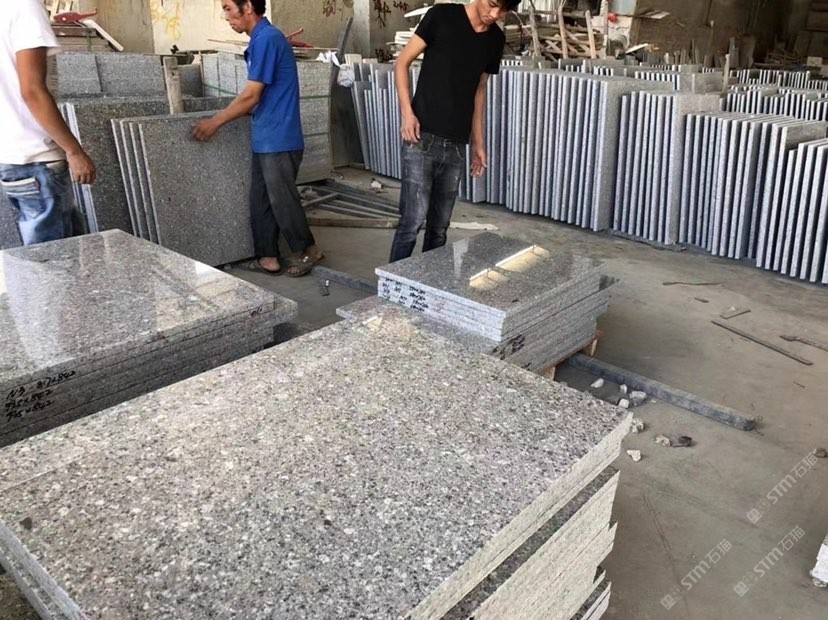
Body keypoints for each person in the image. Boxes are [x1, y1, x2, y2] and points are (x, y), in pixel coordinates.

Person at [193, 0, 323, 277]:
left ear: (248, 6)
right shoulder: (260, 40)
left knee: (282, 200)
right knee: (261, 199)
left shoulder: (267, 39)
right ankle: (267, 257)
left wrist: (215, 122)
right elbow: (258, 97)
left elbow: (251, 95)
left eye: (228, 8)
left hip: (279, 136)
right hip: (266, 134)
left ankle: (309, 250)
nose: (226, 16)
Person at [388, 0, 520, 263]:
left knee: (439, 228)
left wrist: (478, 143)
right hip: (421, 137)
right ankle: (392, 285)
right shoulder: (442, 16)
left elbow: (479, 90)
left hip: (457, 145)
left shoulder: (495, 39)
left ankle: (430, 283)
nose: (495, 14)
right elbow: (402, 62)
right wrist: (407, 114)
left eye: (504, 10)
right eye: (493, 4)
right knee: (412, 222)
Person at [0, 0, 96, 246]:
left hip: (13, 158)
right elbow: (32, 91)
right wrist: (74, 151)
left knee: (62, 252)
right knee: (53, 260)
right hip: (37, 158)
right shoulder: (26, 7)